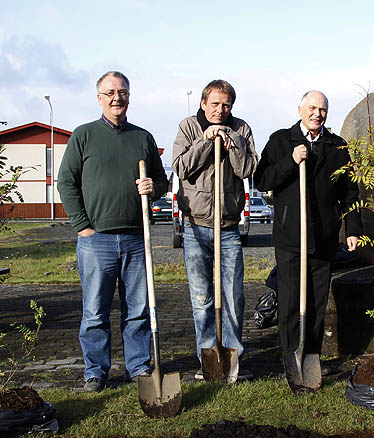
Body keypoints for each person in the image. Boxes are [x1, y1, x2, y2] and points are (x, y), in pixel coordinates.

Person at [58, 71, 168, 392]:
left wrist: (153, 186)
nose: (116, 97)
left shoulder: (142, 138)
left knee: (138, 311)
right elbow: (66, 181)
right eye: (109, 93)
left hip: (137, 237)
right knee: (95, 311)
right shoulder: (84, 136)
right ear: (99, 98)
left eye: (122, 92)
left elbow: (162, 182)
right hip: (97, 241)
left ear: (129, 97)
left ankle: (138, 367)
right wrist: (82, 225)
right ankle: (96, 371)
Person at [253, 91, 363, 380]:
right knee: (290, 301)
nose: (317, 113)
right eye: (312, 108)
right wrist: (290, 161)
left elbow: (349, 192)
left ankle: (311, 356)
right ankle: (291, 356)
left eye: (323, 109)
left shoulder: (337, 146)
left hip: (324, 236)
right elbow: (261, 179)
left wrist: (353, 229)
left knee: (316, 301)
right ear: (300, 109)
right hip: (290, 236)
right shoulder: (280, 140)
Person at [172, 80, 258, 381]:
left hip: (228, 227)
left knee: (234, 295)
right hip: (196, 226)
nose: (220, 110)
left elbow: (247, 169)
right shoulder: (188, 127)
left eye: (226, 105)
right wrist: (206, 141)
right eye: (215, 104)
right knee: (201, 297)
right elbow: (181, 168)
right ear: (204, 102)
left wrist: (230, 140)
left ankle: (233, 359)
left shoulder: (241, 128)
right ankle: (207, 358)